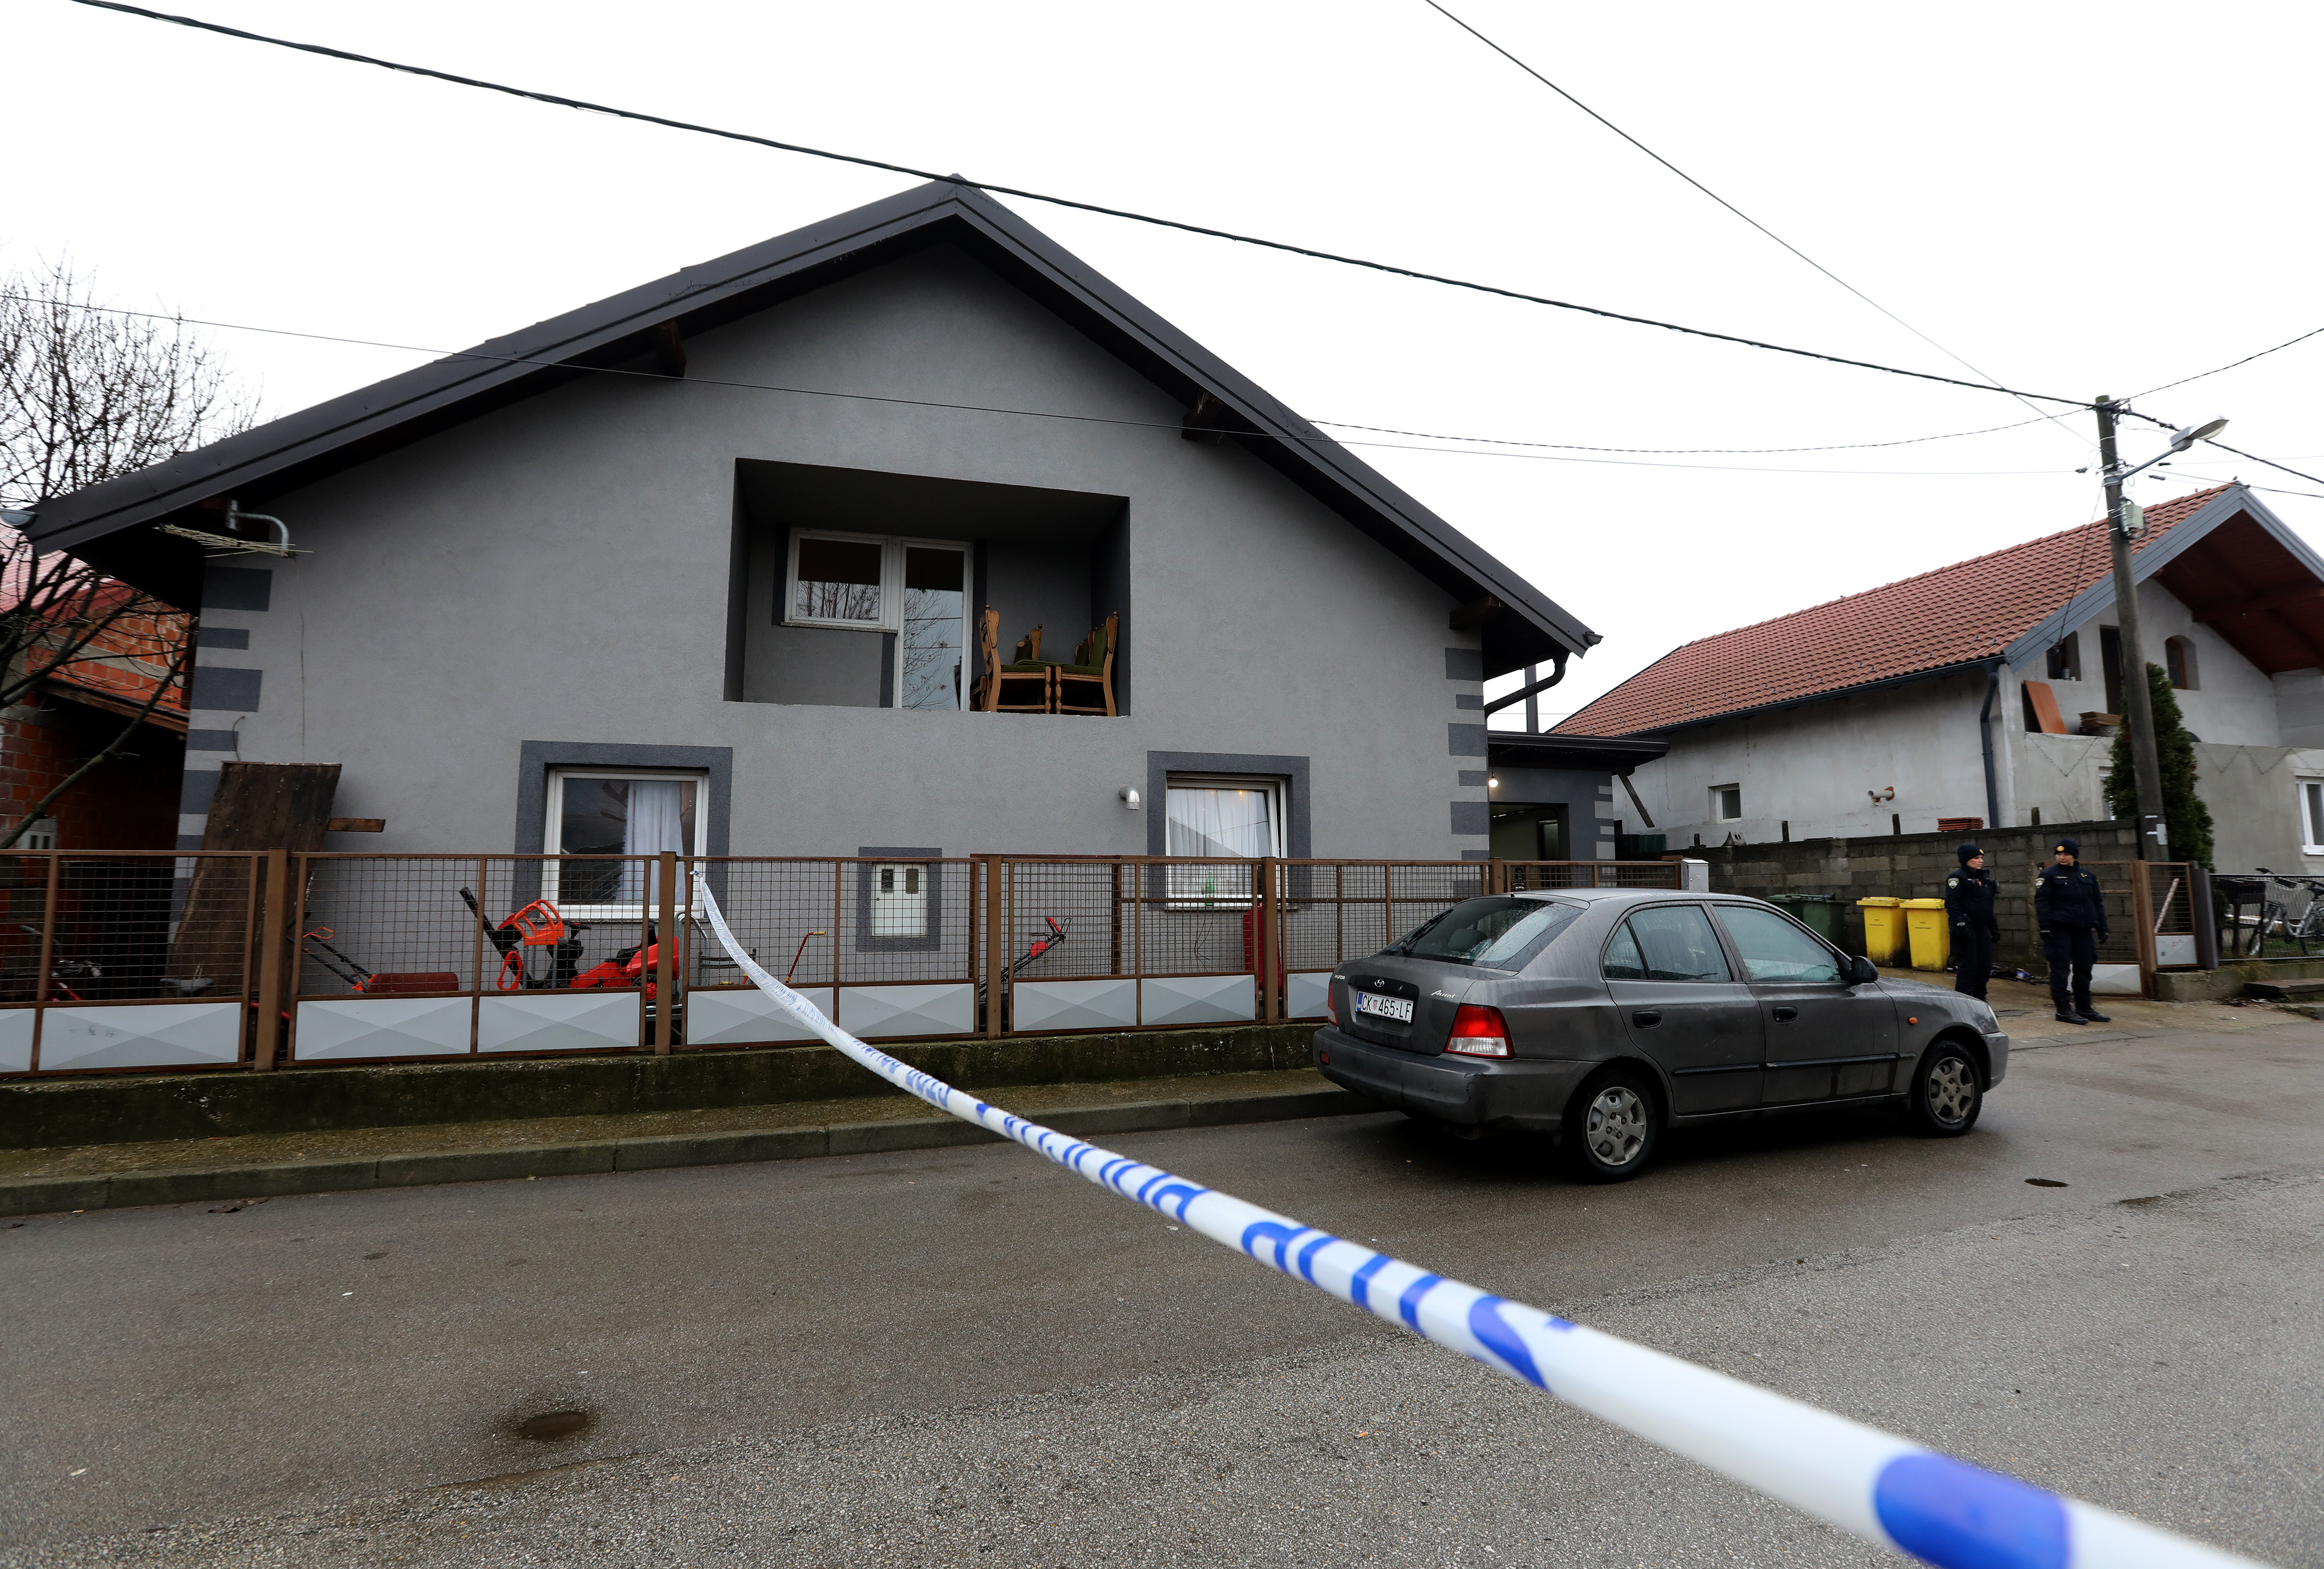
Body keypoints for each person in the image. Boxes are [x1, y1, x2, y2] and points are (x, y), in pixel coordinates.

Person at [2033, 837, 2111, 1024]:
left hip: (2083, 929)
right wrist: (2045, 926)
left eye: (2066, 854)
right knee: (2060, 969)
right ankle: (2063, 1009)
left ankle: (2084, 1007)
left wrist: (2102, 926)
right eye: (2059, 854)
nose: (2062, 857)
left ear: (2074, 856)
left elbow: (2097, 903)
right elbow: (2042, 902)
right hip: (2060, 928)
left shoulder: (2087, 876)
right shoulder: (2049, 875)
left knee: (2084, 967)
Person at [1944, 843, 2000, 1000]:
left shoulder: (1982, 878)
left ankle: (1980, 1000)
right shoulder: (1958, 878)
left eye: (1981, 857)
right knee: (1968, 968)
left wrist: (1993, 928)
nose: (1981, 861)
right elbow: (1952, 903)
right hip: (1966, 929)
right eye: (1976, 858)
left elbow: (1987, 906)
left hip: (1981, 928)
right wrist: (1959, 923)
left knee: (1984, 966)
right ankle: (1964, 1002)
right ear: (1966, 860)